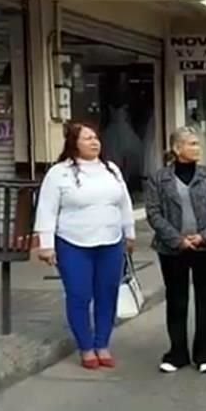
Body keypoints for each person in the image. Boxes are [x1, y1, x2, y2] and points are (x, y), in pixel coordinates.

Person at [34, 122, 135, 370]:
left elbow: (125, 204)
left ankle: (102, 344)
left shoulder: (111, 169)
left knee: (107, 294)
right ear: (74, 143)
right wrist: (46, 244)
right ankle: (86, 347)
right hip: (73, 243)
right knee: (79, 295)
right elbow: (46, 209)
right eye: (87, 138)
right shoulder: (59, 173)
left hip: (110, 242)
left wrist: (129, 233)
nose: (94, 142)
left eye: (96, 138)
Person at [145, 126, 206, 374]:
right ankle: (177, 352)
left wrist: (204, 236)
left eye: (197, 143)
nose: (197, 148)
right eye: (191, 144)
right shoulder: (159, 178)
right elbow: (153, 212)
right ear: (176, 148)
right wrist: (176, 239)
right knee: (177, 300)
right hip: (173, 249)